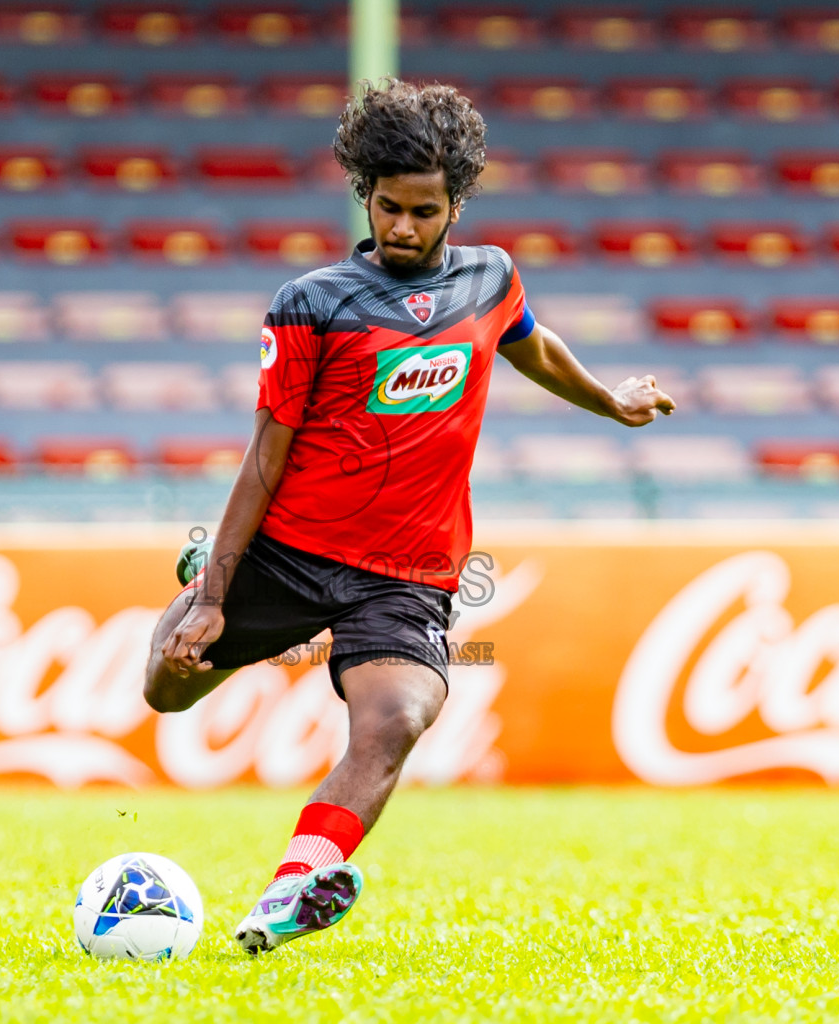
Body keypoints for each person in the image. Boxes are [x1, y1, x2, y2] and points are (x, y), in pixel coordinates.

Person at [143, 78, 675, 955]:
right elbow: (264, 454)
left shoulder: (491, 278)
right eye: (388, 207)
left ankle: (291, 890)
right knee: (165, 687)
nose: (402, 228)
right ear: (364, 195)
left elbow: (530, 342)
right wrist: (214, 596)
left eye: (423, 211)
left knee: (397, 718)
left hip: (405, 573)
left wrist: (608, 401)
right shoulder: (313, 304)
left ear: (455, 204)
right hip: (287, 550)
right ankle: (204, 570)